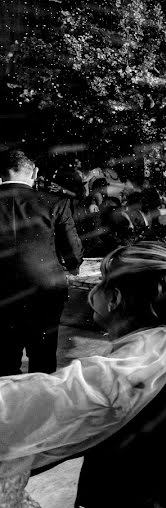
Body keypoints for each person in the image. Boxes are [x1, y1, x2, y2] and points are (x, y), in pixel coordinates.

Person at [0, 241, 166, 508]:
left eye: (101, 282)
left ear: (114, 299)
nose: (94, 290)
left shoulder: (139, 380)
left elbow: (148, 501)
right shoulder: (160, 358)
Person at [0, 150, 83, 376]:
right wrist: (73, 265)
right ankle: (43, 407)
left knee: (4, 361)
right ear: (34, 173)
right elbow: (72, 248)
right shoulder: (54, 202)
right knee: (43, 359)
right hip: (44, 290)